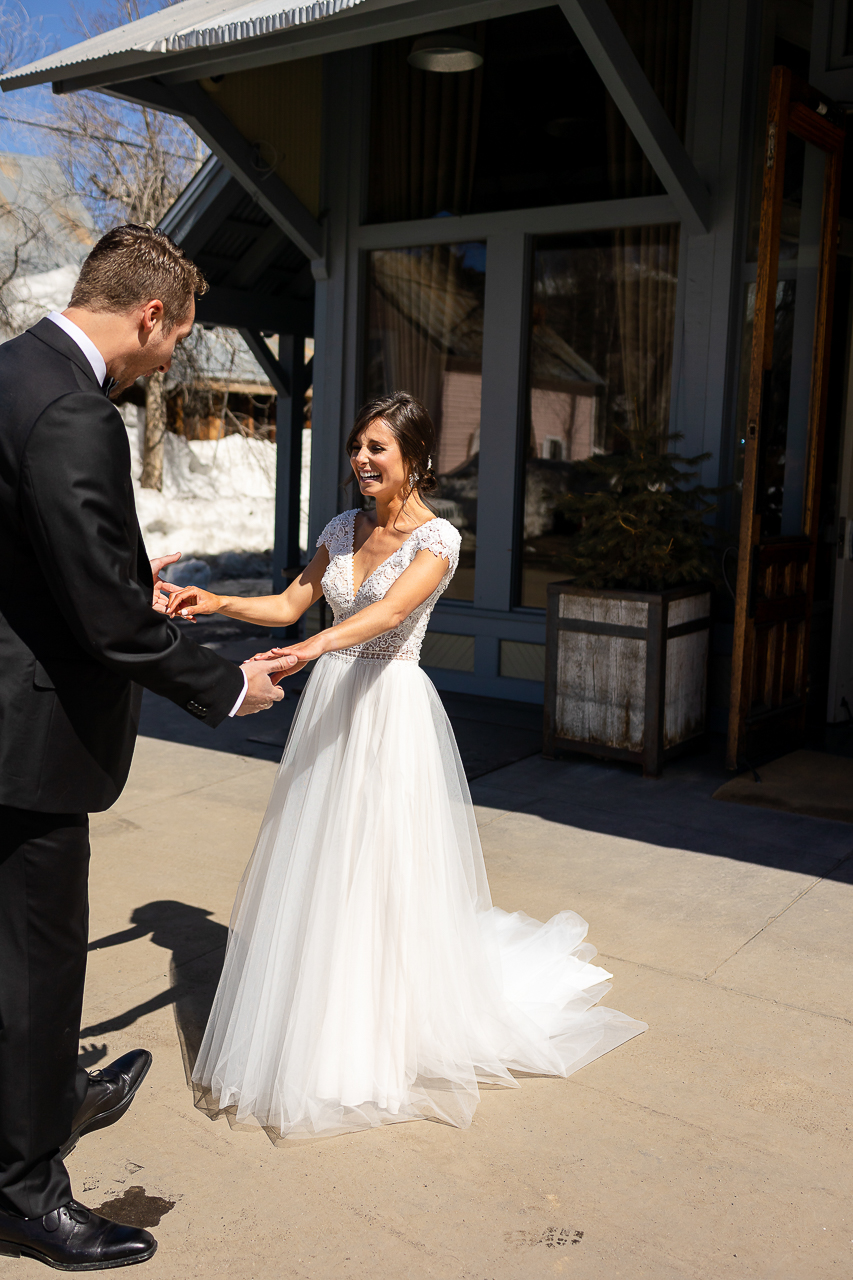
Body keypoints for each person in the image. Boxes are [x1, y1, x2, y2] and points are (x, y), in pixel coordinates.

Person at [165, 392, 647, 1142]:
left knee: (384, 866)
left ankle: (386, 1030)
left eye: (377, 448)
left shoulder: (438, 539)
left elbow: (387, 617)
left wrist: (315, 647)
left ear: (414, 459)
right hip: (330, 705)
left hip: (390, 709)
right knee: (323, 862)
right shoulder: (338, 528)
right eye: (357, 446)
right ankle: (324, 1010)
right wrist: (216, 600)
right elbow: (294, 602)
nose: (361, 459)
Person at [0, 225, 292, 1271]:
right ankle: (26, 1189)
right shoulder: (75, 410)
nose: (172, 361)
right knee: (37, 962)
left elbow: (41, 551)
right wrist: (224, 681)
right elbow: (108, 625)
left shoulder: (11, 373)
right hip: (25, 743)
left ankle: (49, 1091)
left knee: (16, 956)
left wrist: (123, 571)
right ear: (151, 314)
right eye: (177, 339)